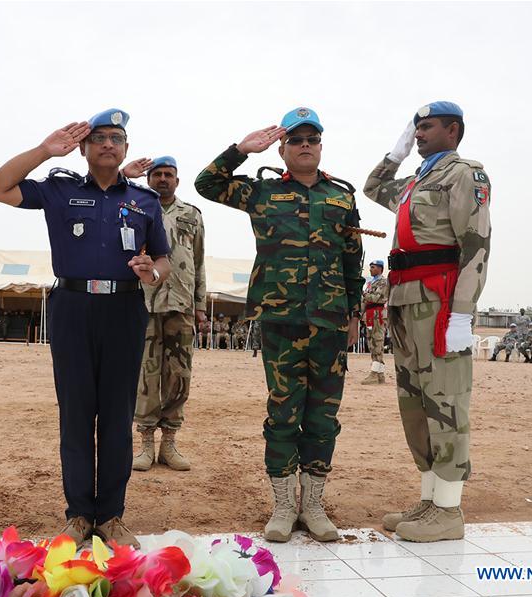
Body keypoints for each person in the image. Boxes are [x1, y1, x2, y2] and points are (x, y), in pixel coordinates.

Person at [0, 108, 171, 549]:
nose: (108, 144)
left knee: (118, 413)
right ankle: (79, 514)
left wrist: (153, 272)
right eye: (99, 137)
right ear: (84, 148)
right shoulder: (59, 189)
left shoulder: (143, 201)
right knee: (76, 413)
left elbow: (163, 257)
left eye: (117, 138)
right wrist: (44, 151)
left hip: (124, 308)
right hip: (72, 306)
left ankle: (112, 516)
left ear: (126, 148)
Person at [195, 106, 363, 543]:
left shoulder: (342, 197)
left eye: (312, 139)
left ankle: (314, 505)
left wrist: (355, 313)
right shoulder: (262, 192)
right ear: (283, 148)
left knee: (324, 418)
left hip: (329, 320)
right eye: (296, 139)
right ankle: (285, 505)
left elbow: (352, 261)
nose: (305, 145)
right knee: (283, 414)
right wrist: (242, 150)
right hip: (281, 319)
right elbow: (206, 184)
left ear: (321, 146)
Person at [364, 101, 491, 542]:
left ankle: (450, 510)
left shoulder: (464, 174)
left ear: (453, 130)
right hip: (403, 299)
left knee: (447, 402)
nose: (418, 133)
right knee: (415, 405)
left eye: (427, 126)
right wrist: (395, 153)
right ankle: (429, 499)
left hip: (438, 301)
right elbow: (372, 186)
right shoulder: (416, 179)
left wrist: (462, 313)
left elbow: (475, 245)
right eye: (415, 127)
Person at [123, 156, 207, 473]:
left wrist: (200, 305)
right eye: (156, 174)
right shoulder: (135, 209)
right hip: (143, 302)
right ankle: (145, 442)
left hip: (182, 303)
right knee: (146, 374)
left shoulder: (192, 215)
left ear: (177, 180)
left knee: (179, 375)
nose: (162, 179)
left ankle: (169, 442)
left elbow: (198, 261)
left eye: (168, 174)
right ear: (149, 179)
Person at [361, 259, 390, 384]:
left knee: (377, 343)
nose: (370, 269)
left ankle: (374, 373)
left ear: (380, 268)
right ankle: (380, 374)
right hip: (370, 315)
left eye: (373, 267)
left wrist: (363, 294)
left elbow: (377, 298)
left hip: (377, 315)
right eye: (371, 266)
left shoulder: (383, 282)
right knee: (372, 344)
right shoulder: (371, 283)